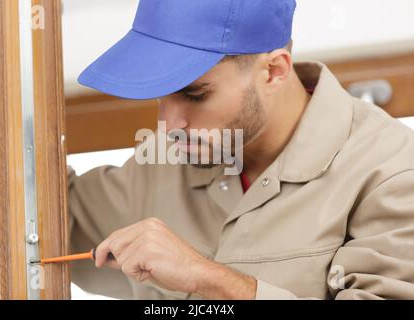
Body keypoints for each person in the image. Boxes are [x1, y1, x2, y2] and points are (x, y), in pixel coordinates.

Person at [68, 0, 414, 299]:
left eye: (195, 94)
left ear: (274, 71)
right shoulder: (162, 161)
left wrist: (209, 280)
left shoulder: (391, 172)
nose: (169, 125)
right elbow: (40, 220)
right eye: (161, 92)